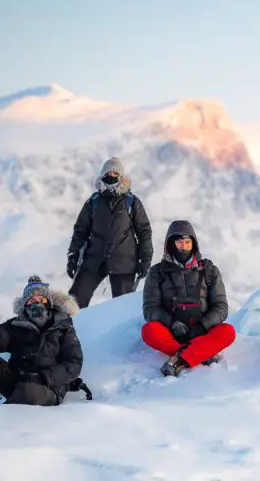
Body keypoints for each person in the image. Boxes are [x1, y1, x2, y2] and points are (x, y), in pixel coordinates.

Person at [141, 220, 236, 377]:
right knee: (149, 331)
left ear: (194, 244)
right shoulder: (157, 272)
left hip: (203, 331)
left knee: (228, 332)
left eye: (187, 242)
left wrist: (202, 326)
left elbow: (221, 306)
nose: (184, 247)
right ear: (170, 244)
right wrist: (172, 324)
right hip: (172, 334)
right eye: (179, 243)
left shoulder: (209, 270)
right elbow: (150, 308)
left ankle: (179, 359)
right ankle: (201, 352)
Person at [0, 275, 83, 406]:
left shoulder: (63, 327)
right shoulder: (16, 325)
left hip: (48, 388)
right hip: (18, 379)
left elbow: (74, 363)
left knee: (27, 392)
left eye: (41, 299)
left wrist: (43, 377)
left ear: (49, 303)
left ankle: (1, 419)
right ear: (25, 305)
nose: (37, 303)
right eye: (31, 300)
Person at [67, 157, 154, 308]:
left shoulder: (131, 202)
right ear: (102, 175)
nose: (111, 176)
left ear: (121, 177)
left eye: (115, 174)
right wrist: (73, 255)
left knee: (122, 308)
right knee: (75, 300)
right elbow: (80, 230)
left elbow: (144, 231)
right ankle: (68, 329)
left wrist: (145, 258)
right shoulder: (93, 202)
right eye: (108, 173)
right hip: (94, 259)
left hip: (124, 262)